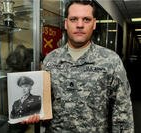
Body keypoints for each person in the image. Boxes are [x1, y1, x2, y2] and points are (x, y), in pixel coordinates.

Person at [23, 0, 134, 132]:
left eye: (86, 19)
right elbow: (44, 104)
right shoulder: (51, 60)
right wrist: (33, 113)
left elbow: (122, 112)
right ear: (66, 23)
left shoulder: (111, 61)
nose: (80, 25)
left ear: (94, 24)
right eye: (74, 19)